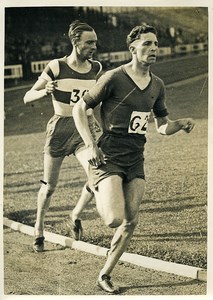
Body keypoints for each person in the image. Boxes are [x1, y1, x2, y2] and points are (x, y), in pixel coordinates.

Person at [73, 23, 195, 294]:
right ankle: (94, 185)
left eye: (156, 45)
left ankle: (105, 274)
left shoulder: (158, 85)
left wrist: (179, 124)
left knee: (130, 221)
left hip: (135, 159)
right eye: (147, 44)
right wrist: (90, 145)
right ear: (132, 48)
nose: (153, 49)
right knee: (114, 219)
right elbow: (80, 108)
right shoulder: (114, 77)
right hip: (109, 155)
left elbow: (161, 126)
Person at [23, 20, 102, 252]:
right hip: (59, 129)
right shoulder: (56, 66)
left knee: (97, 174)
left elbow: (94, 102)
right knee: (49, 186)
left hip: (83, 130)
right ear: (75, 42)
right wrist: (43, 92)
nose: (93, 46)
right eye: (89, 42)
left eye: (95, 42)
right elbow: (28, 96)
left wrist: (95, 121)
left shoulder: (96, 68)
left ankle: (75, 216)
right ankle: (39, 229)